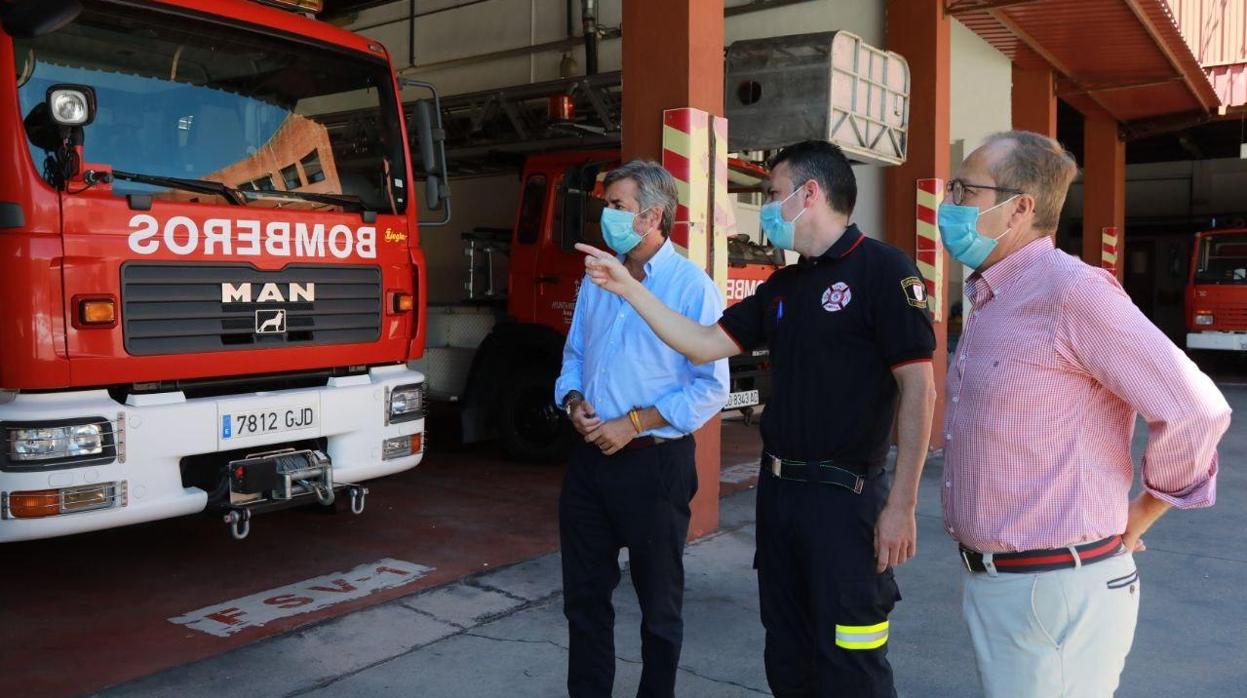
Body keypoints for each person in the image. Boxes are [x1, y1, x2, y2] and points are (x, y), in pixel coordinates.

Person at [577, 140, 937, 697]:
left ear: (809, 193)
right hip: (781, 499)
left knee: (852, 662)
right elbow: (699, 344)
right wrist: (627, 287)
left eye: (772, 194)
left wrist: (903, 505)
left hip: (847, 503)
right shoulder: (784, 287)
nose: (767, 208)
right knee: (787, 655)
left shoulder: (882, 271)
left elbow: (919, 390)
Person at [937, 130, 1232, 697]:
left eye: (963, 190)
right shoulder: (995, 297)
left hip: (1055, 588)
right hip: (1003, 584)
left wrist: (1139, 516)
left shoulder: (1071, 291)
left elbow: (1195, 408)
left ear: (1020, 207)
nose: (948, 203)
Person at [553, 159, 729, 698]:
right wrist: (575, 400)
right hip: (589, 463)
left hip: (653, 465)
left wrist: (633, 424)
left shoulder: (690, 286)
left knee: (659, 607)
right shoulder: (600, 278)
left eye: (616, 206)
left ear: (651, 216)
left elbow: (710, 387)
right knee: (584, 601)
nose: (605, 215)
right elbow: (576, 355)